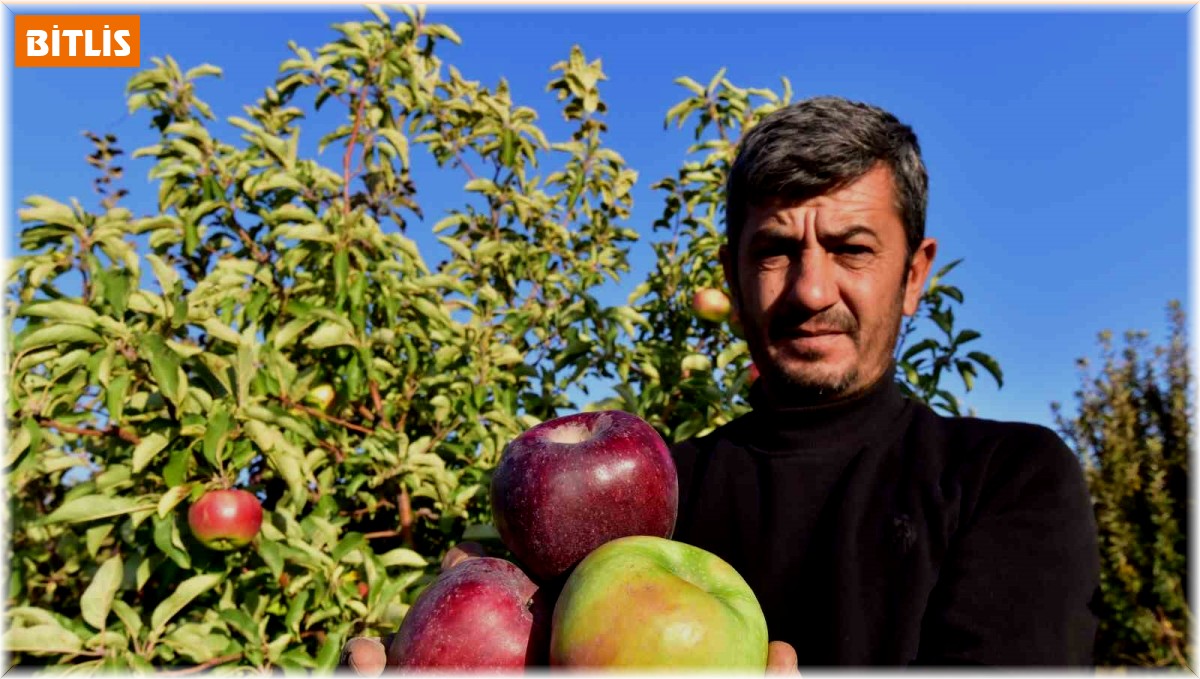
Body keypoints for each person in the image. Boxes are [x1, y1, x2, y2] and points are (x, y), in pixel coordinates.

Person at [341, 96, 1100, 671]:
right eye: (774, 250)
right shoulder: (648, 496)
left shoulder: (1009, 478)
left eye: (852, 248)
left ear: (914, 274)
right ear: (732, 276)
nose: (809, 289)